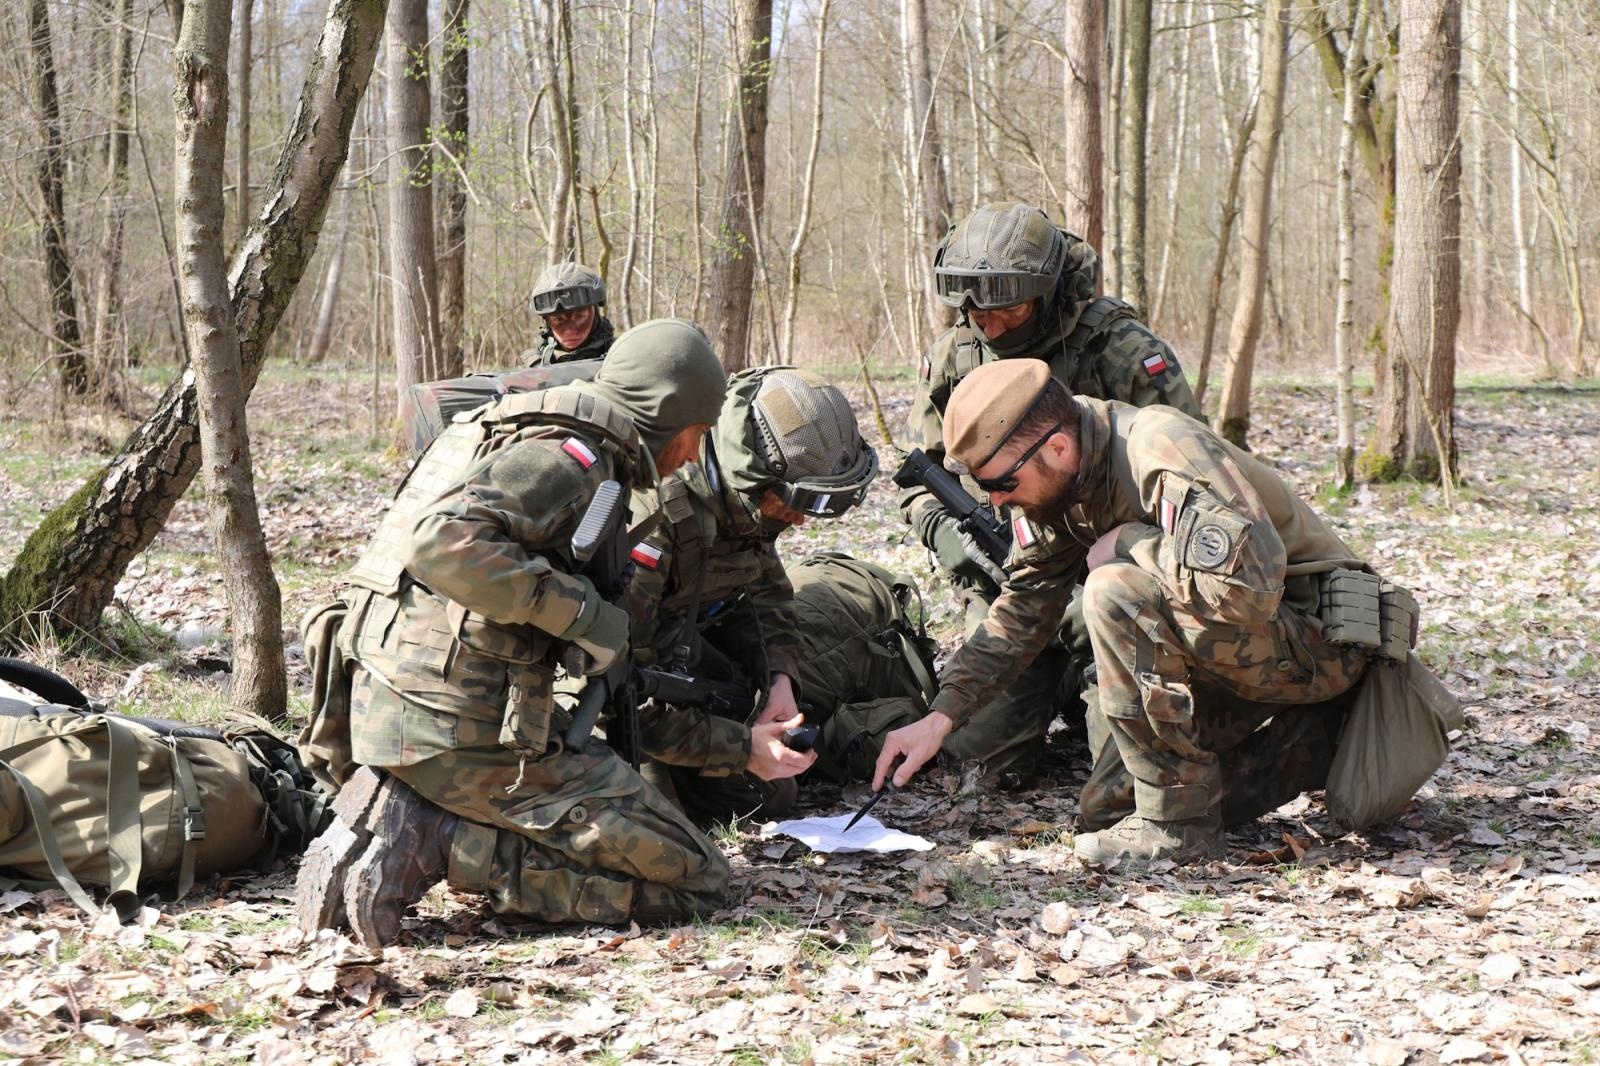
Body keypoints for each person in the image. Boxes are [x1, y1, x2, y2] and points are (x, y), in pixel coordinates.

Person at [296, 319, 742, 948]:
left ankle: (418, 808)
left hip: (380, 700)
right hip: (449, 725)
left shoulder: (512, 422)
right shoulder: (572, 453)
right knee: (698, 879)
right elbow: (443, 544)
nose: (695, 456)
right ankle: (443, 839)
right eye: (697, 435)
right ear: (667, 414)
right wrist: (585, 616)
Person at [875, 359, 1418, 868]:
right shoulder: (1056, 484)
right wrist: (940, 717)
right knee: (1106, 813)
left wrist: (1130, 541)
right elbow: (1023, 607)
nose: (995, 502)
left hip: (1318, 640)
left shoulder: (1159, 448)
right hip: (1237, 645)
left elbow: (1248, 591)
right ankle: (1314, 741)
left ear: (1059, 448)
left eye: (1000, 484)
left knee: (1111, 591)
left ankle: (1178, 827)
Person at [899, 201, 1203, 785]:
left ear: (1045, 292)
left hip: (1110, 590)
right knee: (982, 765)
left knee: (1123, 777)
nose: (987, 325)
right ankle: (1049, 685)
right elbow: (921, 477)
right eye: (973, 309)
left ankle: (1083, 685)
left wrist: (1111, 566)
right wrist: (945, 534)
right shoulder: (957, 354)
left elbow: (1191, 487)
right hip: (1011, 582)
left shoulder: (1119, 351)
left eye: (1005, 309)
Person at [619, 366, 878, 823]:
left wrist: (780, 678)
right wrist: (741, 749)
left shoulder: (749, 502)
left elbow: (766, 589)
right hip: (602, 697)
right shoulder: (654, 523)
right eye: (798, 504)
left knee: (769, 792)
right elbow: (614, 694)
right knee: (663, 839)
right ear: (755, 476)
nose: (800, 521)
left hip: (678, 655)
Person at [529, 261, 615, 366]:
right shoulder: (532, 367)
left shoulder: (621, 357)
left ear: (595, 314)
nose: (569, 331)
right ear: (547, 322)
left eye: (579, 317)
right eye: (558, 319)